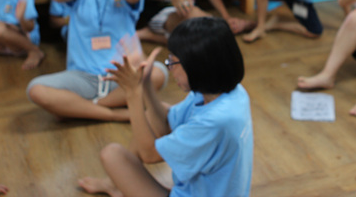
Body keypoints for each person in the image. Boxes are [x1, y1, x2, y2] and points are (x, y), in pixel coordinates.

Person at [78, 17, 253, 197]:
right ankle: (116, 185)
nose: (170, 67)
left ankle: (117, 186)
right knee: (155, 112)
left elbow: (149, 154)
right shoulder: (230, 92)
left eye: (174, 62)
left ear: (198, 67)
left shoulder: (215, 121)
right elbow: (167, 124)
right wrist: (145, 85)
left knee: (112, 155)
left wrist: (133, 93)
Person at [27, 0, 166, 122]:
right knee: (36, 89)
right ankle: (115, 113)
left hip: (123, 75)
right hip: (82, 77)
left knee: (158, 72)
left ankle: (88, 107)